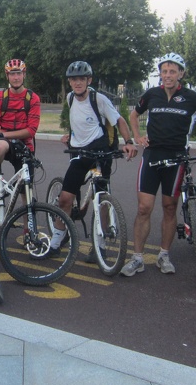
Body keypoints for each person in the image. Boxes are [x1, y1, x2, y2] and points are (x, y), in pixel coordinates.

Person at [122, 53, 196, 277]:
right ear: (160, 74)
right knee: (144, 208)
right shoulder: (151, 94)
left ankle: (163, 255)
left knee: (169, 207)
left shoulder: (191, 97)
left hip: (177, 158)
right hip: (151, 156)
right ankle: (137, 258)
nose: (168, 76)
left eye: (172, 71)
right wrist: (137, 137)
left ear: (181, 73)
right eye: (164, 71)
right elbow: (133, 115)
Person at [49, 61, 138, 260]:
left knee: (102, 198)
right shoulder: (70, 98)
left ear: (89, 80)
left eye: (82, 79)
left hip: (100, 153)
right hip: (79, 153)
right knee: (65, 198)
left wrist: (129, 142)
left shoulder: (99, 99)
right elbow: (78, 123)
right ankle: (56, 240)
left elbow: (120, 121)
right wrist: (69, 137)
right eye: (73, 79)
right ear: (70, 82)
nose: (77, 83)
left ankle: (101, 244)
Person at [0, 59, 41, 196]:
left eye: (18, 73)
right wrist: (1, 136)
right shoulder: (0, 97)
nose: (16, 78)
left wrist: (4, 134)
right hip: (5, 144)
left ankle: (27, 217)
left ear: (24, 75)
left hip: (25, 146)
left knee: (26, 192)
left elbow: (31, 130)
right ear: (7, 76)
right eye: (12, 74)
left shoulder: (32, 98)